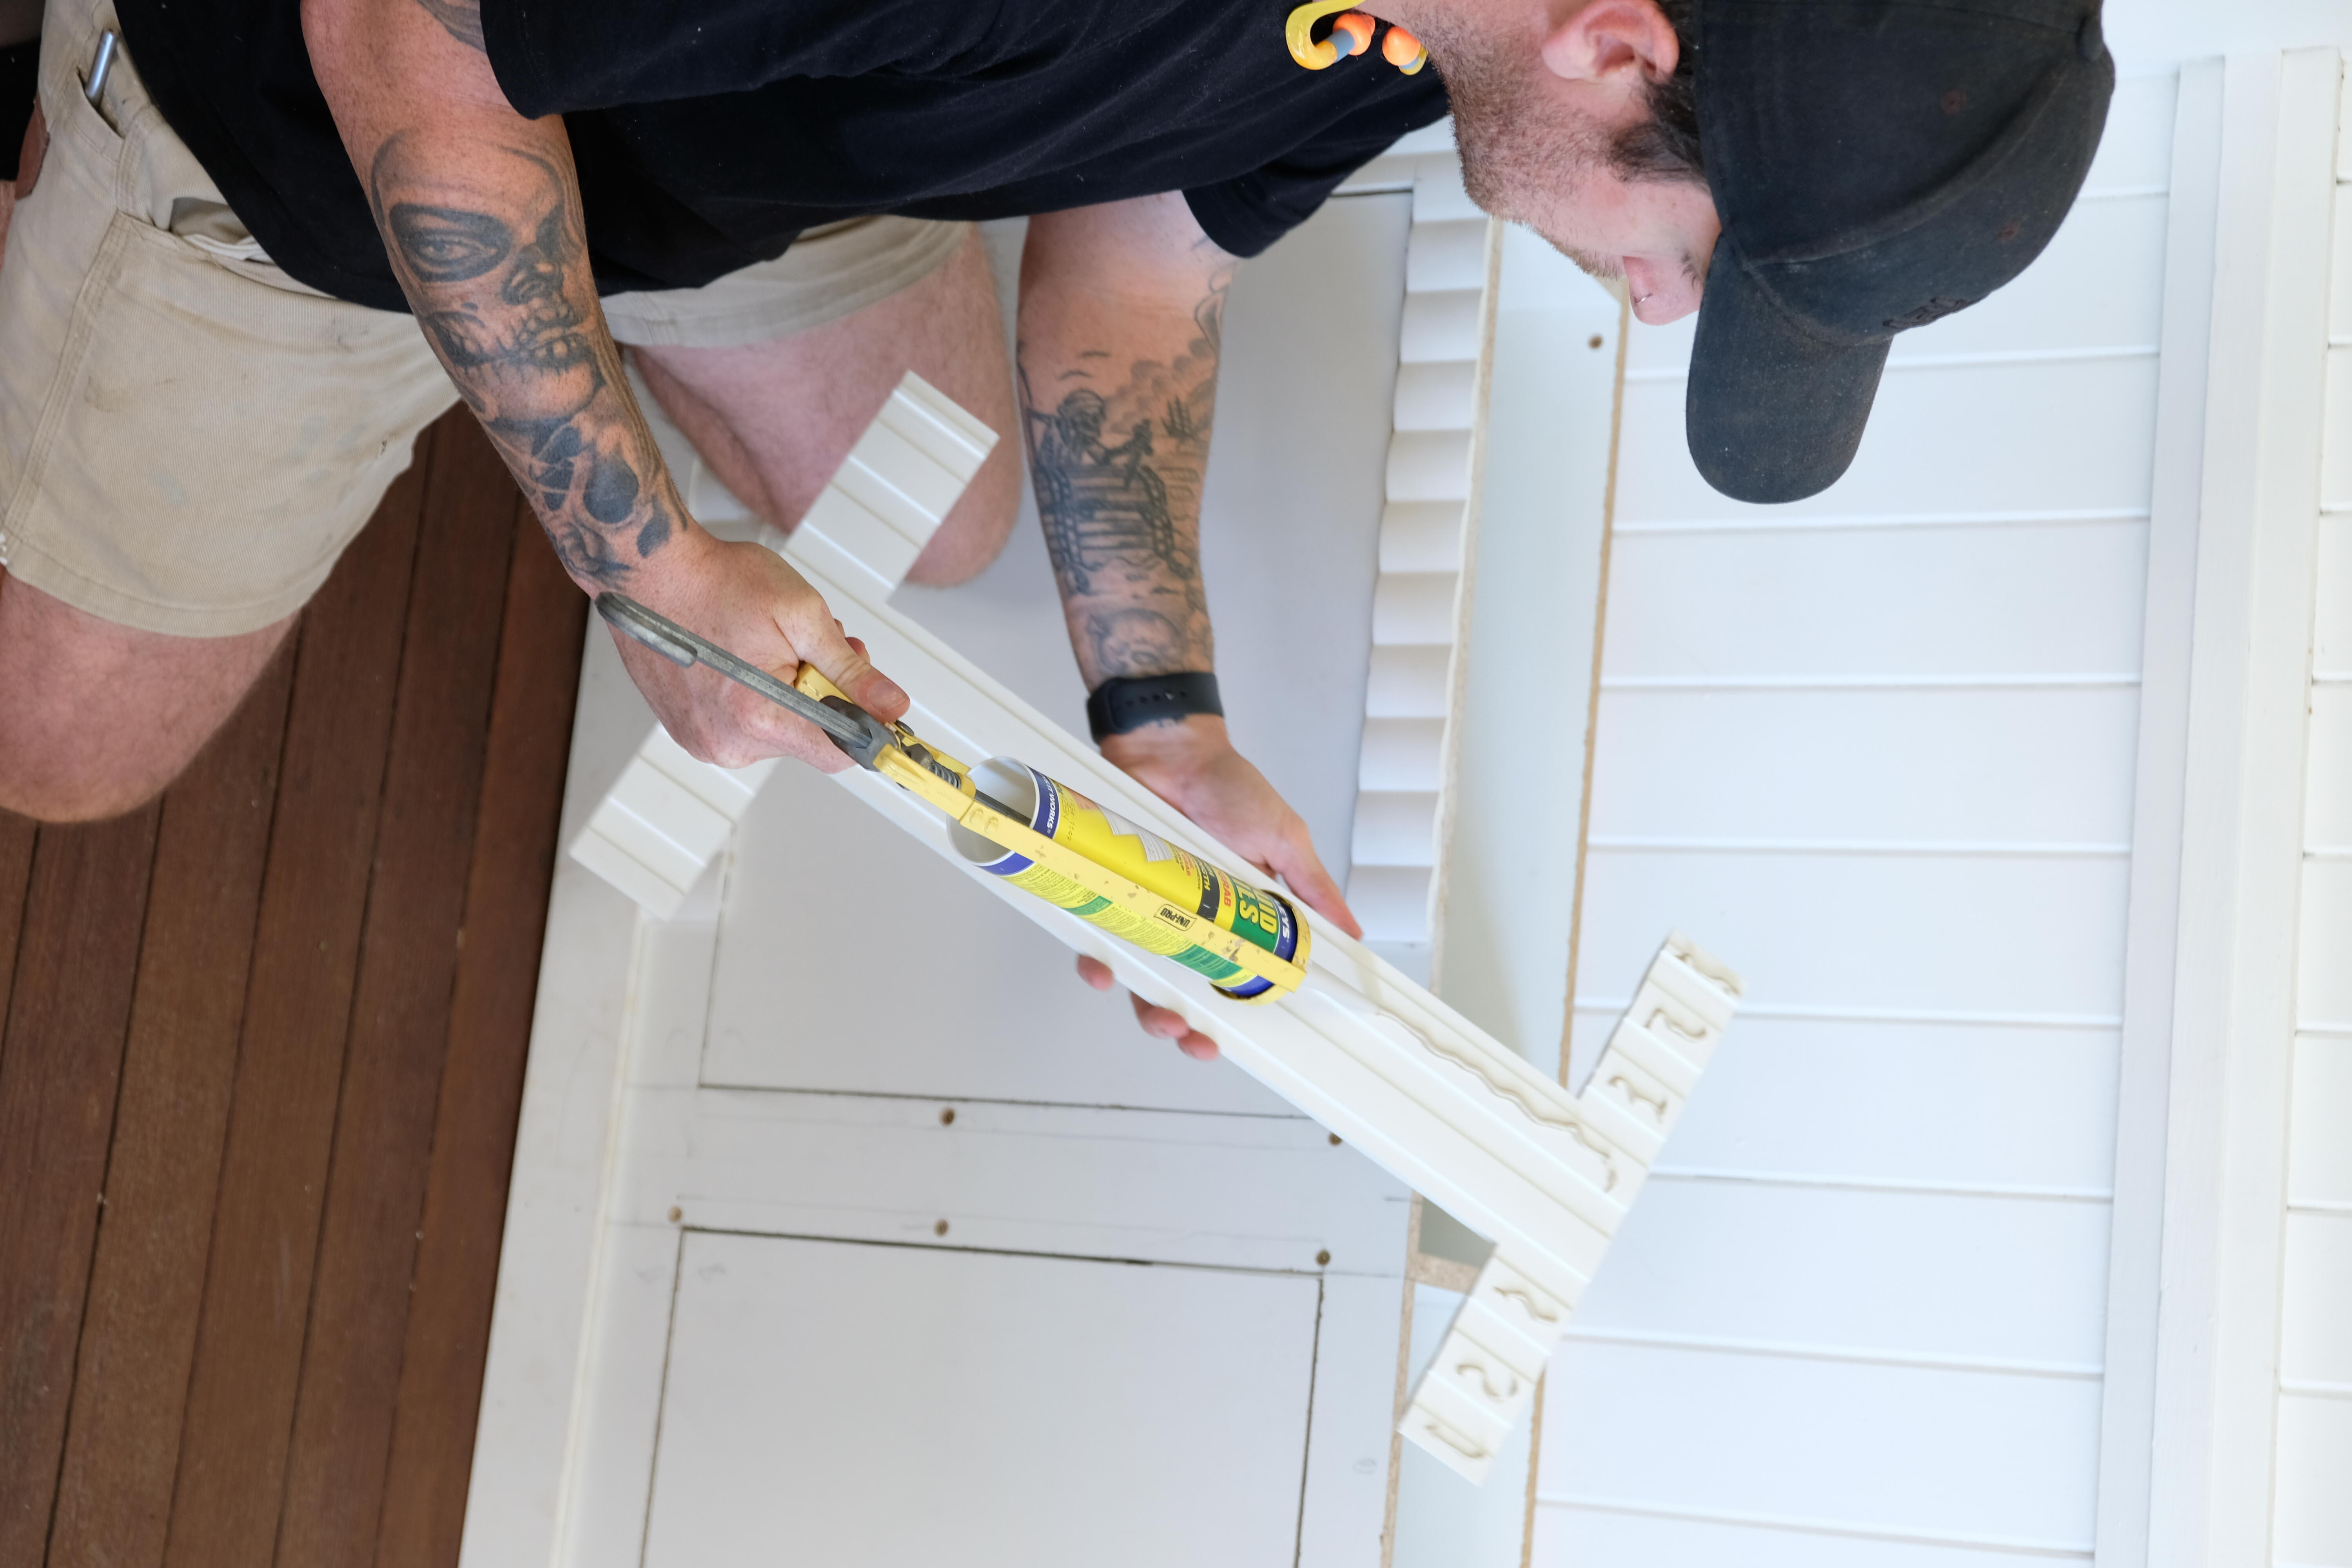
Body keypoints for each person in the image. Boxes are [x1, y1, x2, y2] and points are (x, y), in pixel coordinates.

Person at [0, 0, 2110, 1053]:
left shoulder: (1460, 38)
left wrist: (1163, 712)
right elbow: (403, 27)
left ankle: (552, 341)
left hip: (711, 135)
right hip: (303, 129)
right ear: (1623, 47)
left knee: (957, 505)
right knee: (67, 755)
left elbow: (1149, 254)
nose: (1650, 311)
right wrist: (639, 554)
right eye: (1689, 262)